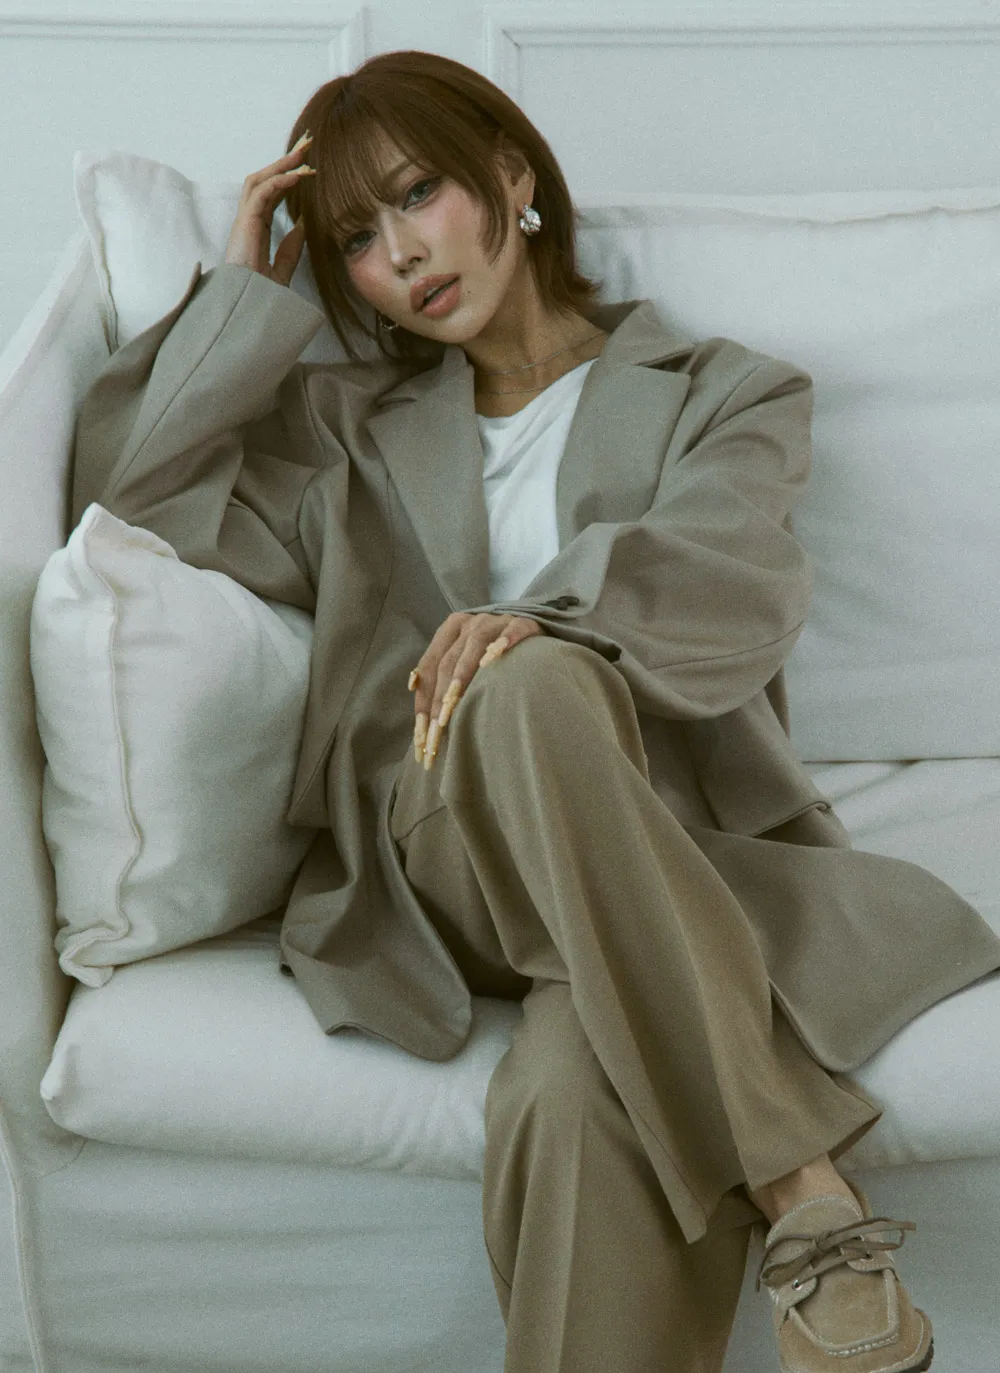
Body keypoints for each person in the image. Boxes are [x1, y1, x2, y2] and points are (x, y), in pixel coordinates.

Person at [70, 49, 1000, 1373]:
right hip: (439, 849)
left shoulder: (728, 392)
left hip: (661, 859)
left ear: (511, 177)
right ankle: (802, 1184)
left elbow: (735, 570)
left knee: (573, 1098)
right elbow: (134, 490)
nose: (400, 253)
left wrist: (548, 618)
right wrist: (246, 294)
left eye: (418, 194)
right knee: (520, 691)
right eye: (356, 238)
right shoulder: (346, 429)